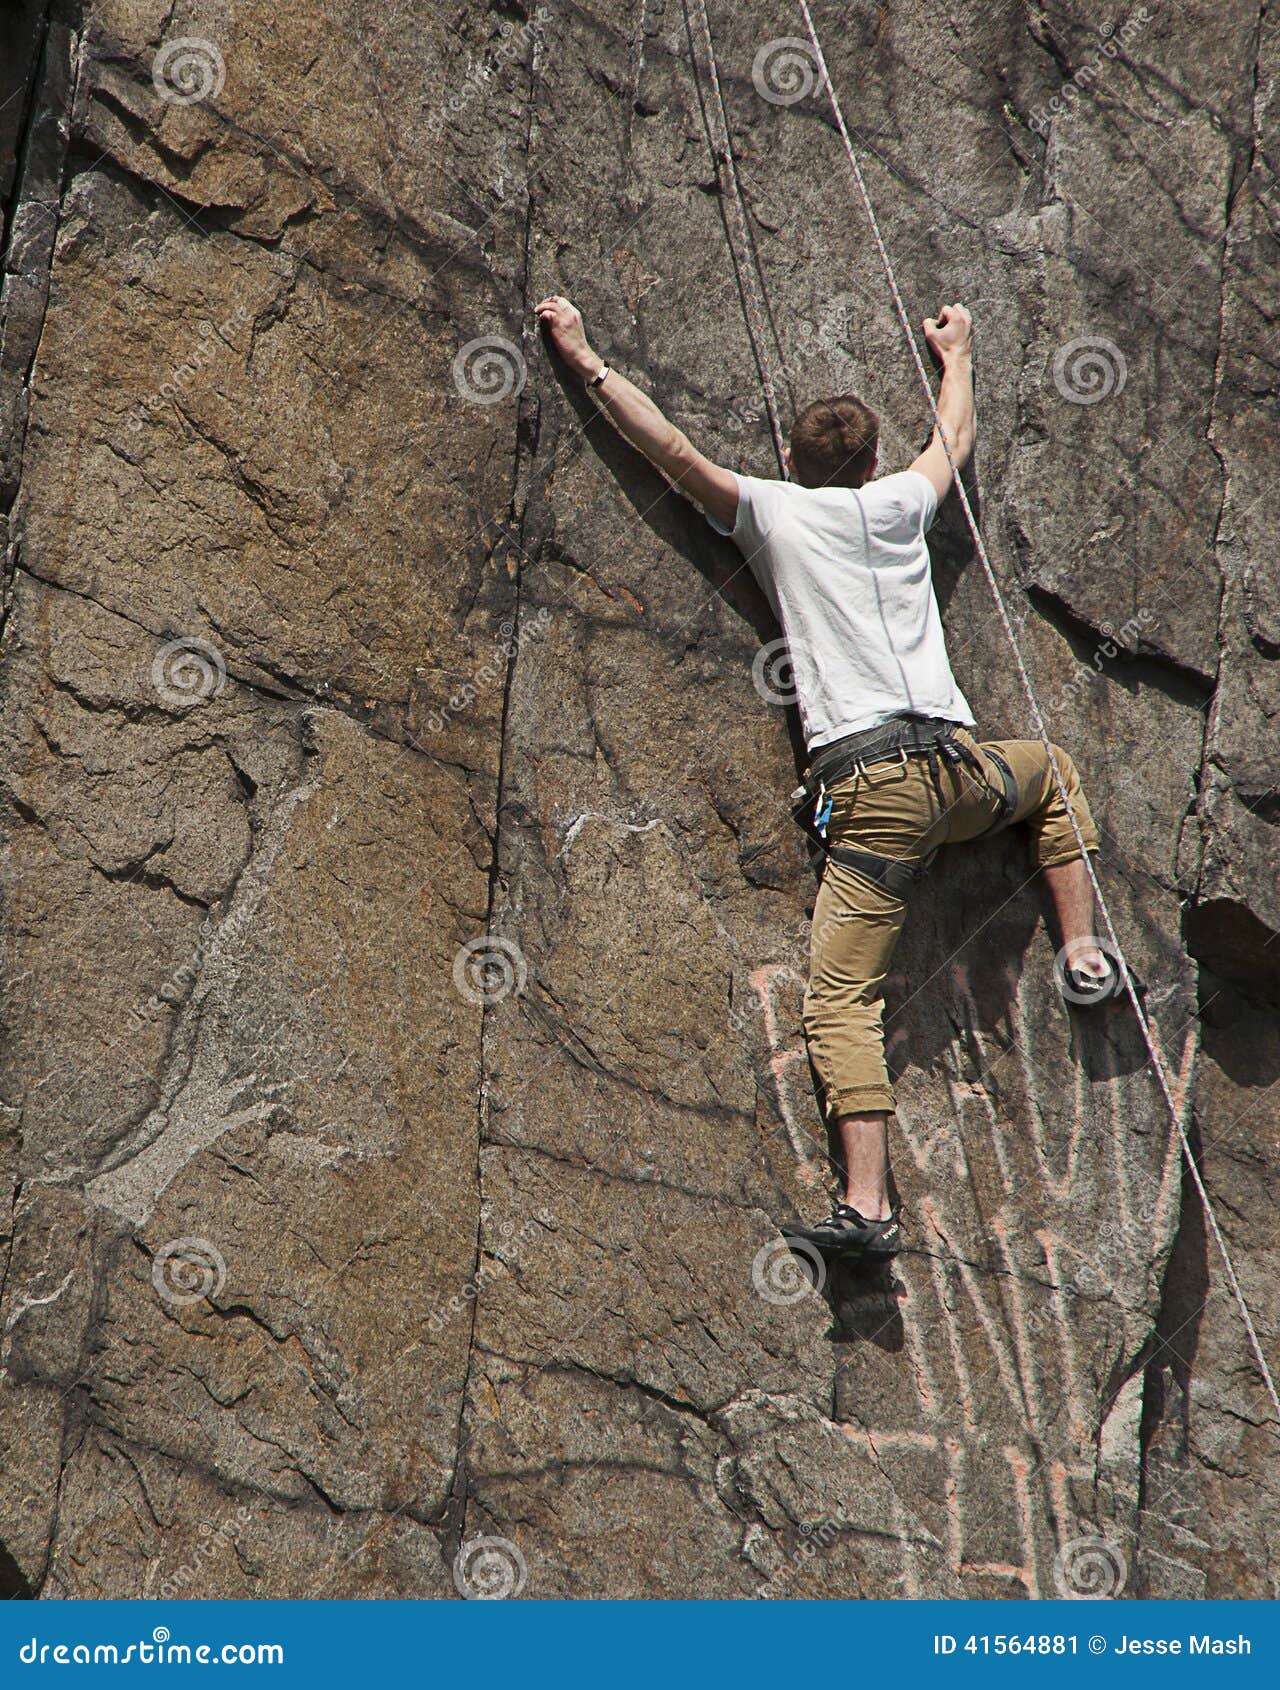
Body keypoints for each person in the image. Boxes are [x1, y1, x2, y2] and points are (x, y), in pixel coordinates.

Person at [534, 292, 1123, 1263]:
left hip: (876, 791)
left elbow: (673, 455)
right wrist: (958, 351)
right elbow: (954, 439)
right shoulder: (899, 501)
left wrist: (585, 358)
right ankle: (1082, 954)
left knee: (841, 998)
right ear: (867, 459)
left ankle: (865, 1209)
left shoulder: (772, 510)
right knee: (1051, 774)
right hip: (961, 770)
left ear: (793, 460)